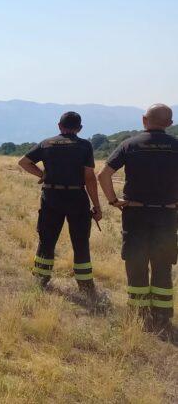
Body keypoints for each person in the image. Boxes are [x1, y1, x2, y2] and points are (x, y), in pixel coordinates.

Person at [98, 104, 178, 337]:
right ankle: (162, 316)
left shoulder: (129, 145)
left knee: (136, 261)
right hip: (167, 214)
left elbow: (103, 175)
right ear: (170, 124)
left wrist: (114, 201)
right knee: (163, 263)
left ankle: (139, 313)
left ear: (144, 120)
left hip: (135, 214)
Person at [18, 111, 104, 299]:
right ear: (79, 128)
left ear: (59, 126)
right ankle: (85, 286)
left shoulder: (46, 143)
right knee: (80, 242)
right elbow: (89, 177)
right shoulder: (84, 146)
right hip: (77, 197)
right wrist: (97, 206)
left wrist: (42, 175)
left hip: (51, 196)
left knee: (47, 239)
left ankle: (41, 278)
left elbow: (24, 162)